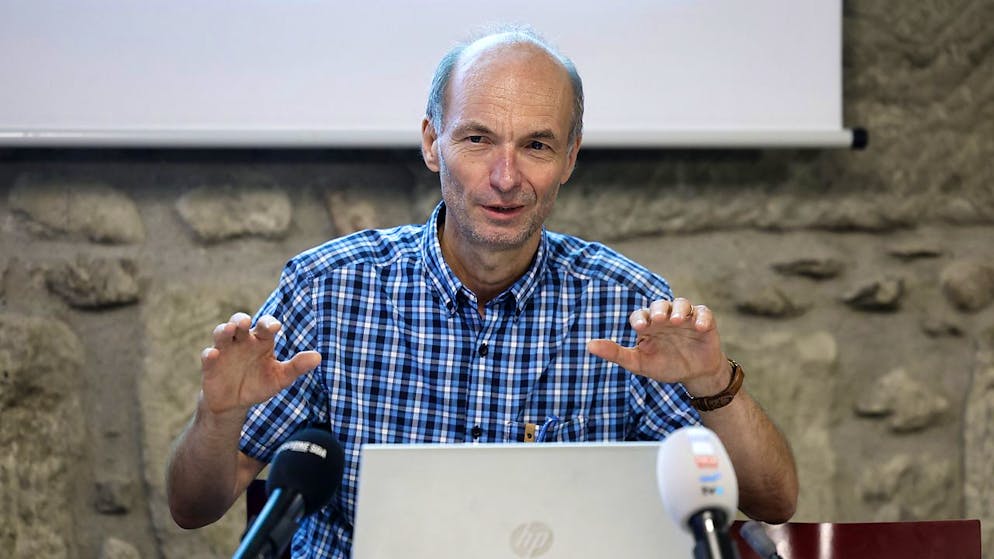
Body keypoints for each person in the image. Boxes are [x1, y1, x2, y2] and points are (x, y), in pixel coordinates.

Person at [166, 26, 798, 558]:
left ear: (570, 158)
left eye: (536, 145)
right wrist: (217, 417)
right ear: (431, 143)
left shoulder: (625, 305)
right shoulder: (329, 292)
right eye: (477, 139)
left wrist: (713, 379)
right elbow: (194, 508)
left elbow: (771, 501)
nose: (505, 177)